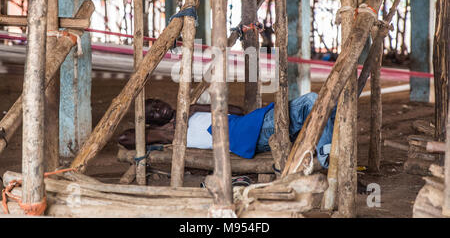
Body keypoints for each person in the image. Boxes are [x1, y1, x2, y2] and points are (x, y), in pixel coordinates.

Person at [118, 93, 336, 169]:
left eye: (156, 103)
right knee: (312, 101)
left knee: (328, 106)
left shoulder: (189, 111)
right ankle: (328, 157)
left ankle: (329, 150)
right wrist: (152, 130)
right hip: (251, 133)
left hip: (252, 123)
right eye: (153, 113)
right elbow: (124, 137)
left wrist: (196, 108)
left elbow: (237, 111)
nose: (158, 108)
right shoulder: (168, 131)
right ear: (150, 123)